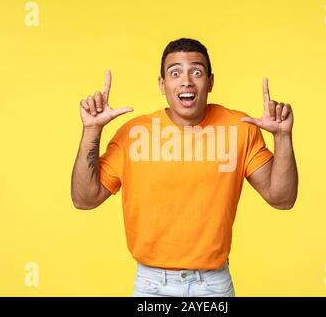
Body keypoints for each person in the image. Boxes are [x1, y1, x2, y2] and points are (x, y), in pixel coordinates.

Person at [71, 38, 298, 297]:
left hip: (213, 285)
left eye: (197, 72)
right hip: (152, 285)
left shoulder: (239, 128)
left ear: (210, 81)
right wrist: (91, 130)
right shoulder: (133, 134)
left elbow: (282, 199)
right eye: (175, 72)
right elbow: (84, 199)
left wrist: (282, 137)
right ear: (162, 84)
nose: (186, 81)